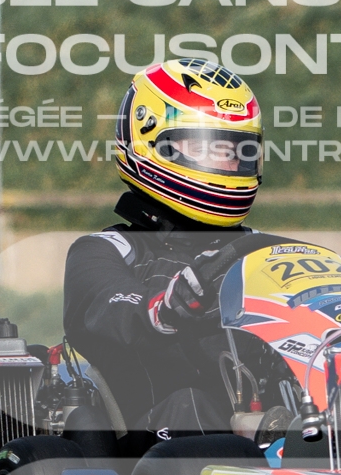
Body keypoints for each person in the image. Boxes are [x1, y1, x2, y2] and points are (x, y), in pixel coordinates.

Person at [62, 63, 279, 432]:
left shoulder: (264, 252)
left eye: (237, 150)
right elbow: (113, 308)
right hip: (157, 439)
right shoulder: (105, 250)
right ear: (150, 145)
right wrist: (166, 306)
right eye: (207, 147)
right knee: (191, 403)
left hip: (270, 428)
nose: (227, 161)